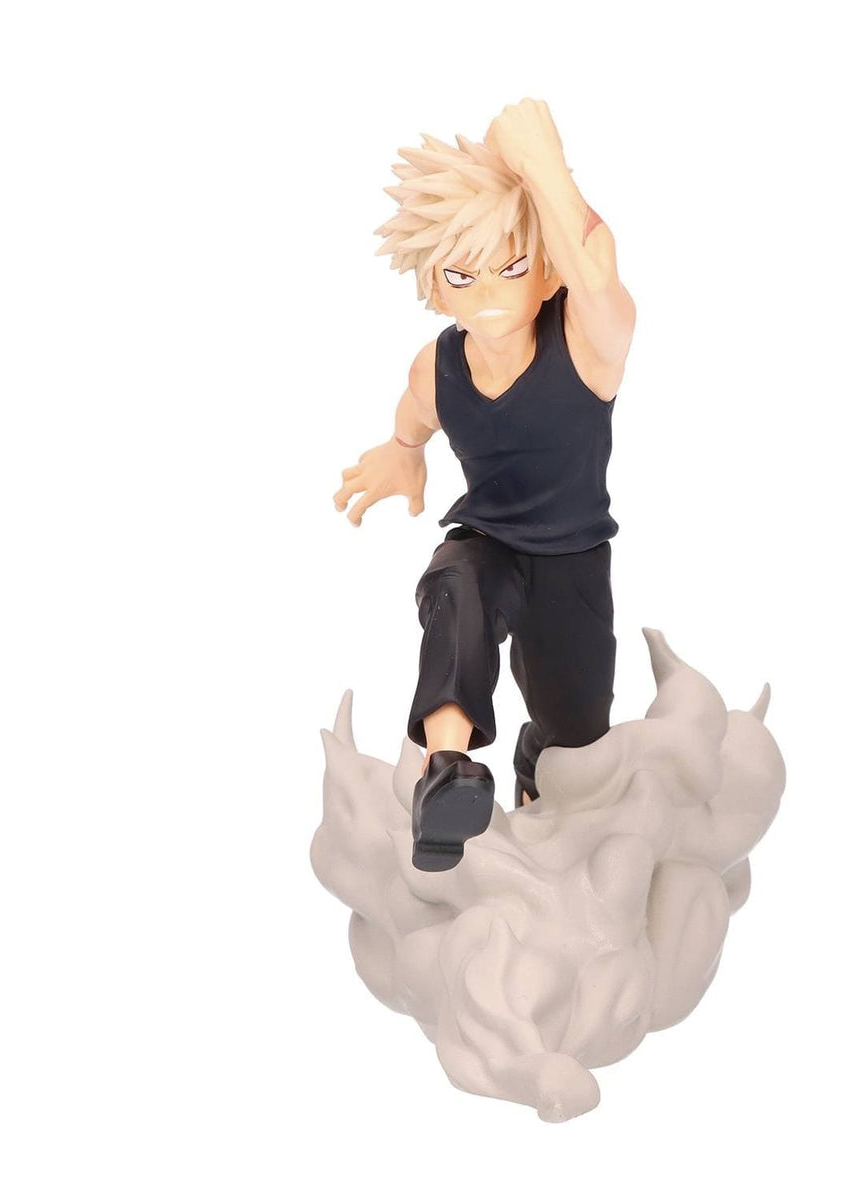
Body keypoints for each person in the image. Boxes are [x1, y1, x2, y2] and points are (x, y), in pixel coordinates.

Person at [333, 99, 636, 872]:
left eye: (513, 267)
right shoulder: (434, 368)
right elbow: (413, 418)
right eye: (463, 276)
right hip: (488, 543)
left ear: (547, 271)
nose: (489, 292)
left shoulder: (586, 345)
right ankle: (447, 772)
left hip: (572, 561)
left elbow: (598, 272)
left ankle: (537, 774)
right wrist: (402, 453)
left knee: (576, 741)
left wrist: (539, 159)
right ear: (437, 288)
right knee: (454, 589)